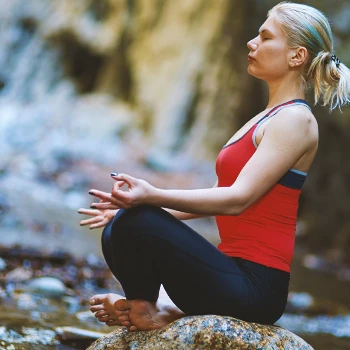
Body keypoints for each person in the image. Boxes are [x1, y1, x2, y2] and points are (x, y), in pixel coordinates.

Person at [78, 2, 350, 332]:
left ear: (297, 56)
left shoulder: (296, 120)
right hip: (229, 270)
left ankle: (149, 310)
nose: (252, 43)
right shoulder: (267, 118)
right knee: (123, 225)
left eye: (265, 37)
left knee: (133, 223)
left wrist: (150, 197)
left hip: (255, 287)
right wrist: (133, 207)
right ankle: (152, 308)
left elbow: (237, 200)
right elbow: (220, 195)